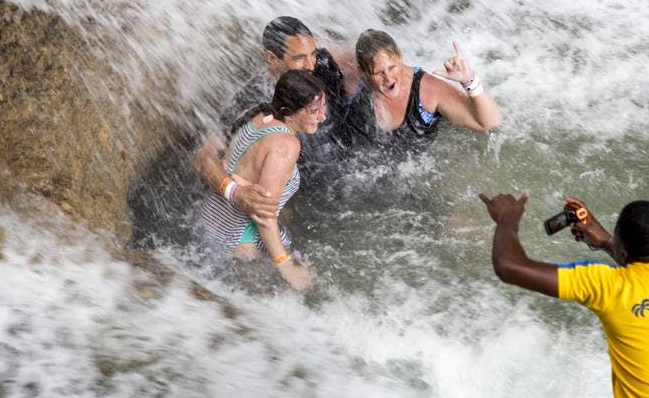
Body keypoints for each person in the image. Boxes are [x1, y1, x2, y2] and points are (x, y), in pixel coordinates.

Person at [479, 192, 649, 398]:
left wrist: (507, 219)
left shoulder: (609, 286)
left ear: (624, 250)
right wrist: (607, 240)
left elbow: (509, 266)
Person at [194, 16, 353, 225]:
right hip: (305, 191)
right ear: (271, 58)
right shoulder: (251, 101)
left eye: (312, 54)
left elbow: (357, 61)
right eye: (299, 58)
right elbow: (203, 158)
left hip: (348, 163)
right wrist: (237, 193)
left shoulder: (320, 63)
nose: (310, 65)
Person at [197, 70, 327, 290]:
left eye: (323, 108)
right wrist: (285, 266)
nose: (322, 116)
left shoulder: (260, 117)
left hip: (210, 221)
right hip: (241, 244)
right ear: (290, 111)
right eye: (314, 111)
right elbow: (263, 214)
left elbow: (243, 174)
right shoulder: (286, 145)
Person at [342, 29, 501, 153]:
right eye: (378, 73)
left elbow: (488, 123)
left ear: (400, 57)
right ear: (362, 71)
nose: (389, 78)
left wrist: (468, 80)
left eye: (392, 67)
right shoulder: (354, 82)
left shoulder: (428, 90)